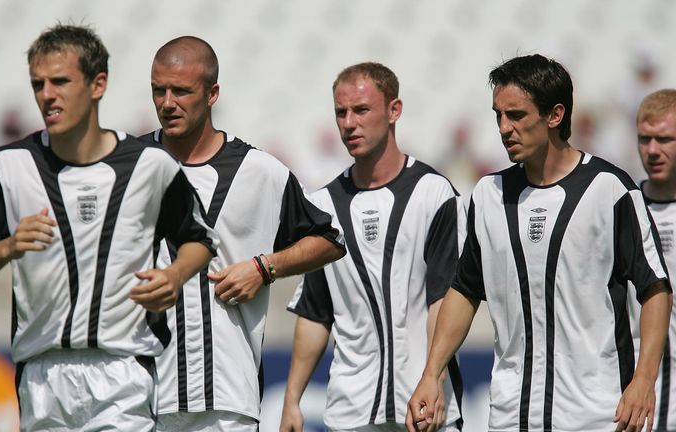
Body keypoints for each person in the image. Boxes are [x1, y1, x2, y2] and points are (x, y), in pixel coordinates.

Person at [0, 24, 218, 431]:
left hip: (122, 371)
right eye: (38, 84)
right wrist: (7, 247)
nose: (47, 95)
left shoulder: (151, 165)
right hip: (41, 376)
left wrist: (174, 275)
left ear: (98, 84)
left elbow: (199, 240)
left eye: (60, 81)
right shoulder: (7, 166)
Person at [406, 53, 672, 432]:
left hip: (597, 415)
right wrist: (431, 375)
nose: (504, 127)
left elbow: (655, 289)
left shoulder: (609, 190)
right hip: (511, 414)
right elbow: (464, 290)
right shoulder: (487, 195)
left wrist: (644, 380)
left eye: (516, 115)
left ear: (555, 115)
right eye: (498, 115)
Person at [139, 36, 345, 431]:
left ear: (212, 93)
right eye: (158, 90)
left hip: (229, 400)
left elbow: (329, 240)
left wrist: (265, 267)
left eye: (181, 91)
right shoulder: (126, 167)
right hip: (139, 396)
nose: (167, 103)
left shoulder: (260, 171)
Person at [281, 62, 466, 432]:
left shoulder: (434, 193)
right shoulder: (321, 207)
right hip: (349, 412)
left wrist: (435, 378)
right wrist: (291, 401)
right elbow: (316, 313)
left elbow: (444, 300)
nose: (349, 123)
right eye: (341, 112)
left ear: (394, 110)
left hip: (424, 409)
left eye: (361, 110)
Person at [628, 89, 676, 431]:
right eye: (645, 139)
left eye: (664, 139)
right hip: (633, 396)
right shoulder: (622, 208)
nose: (653, 150)